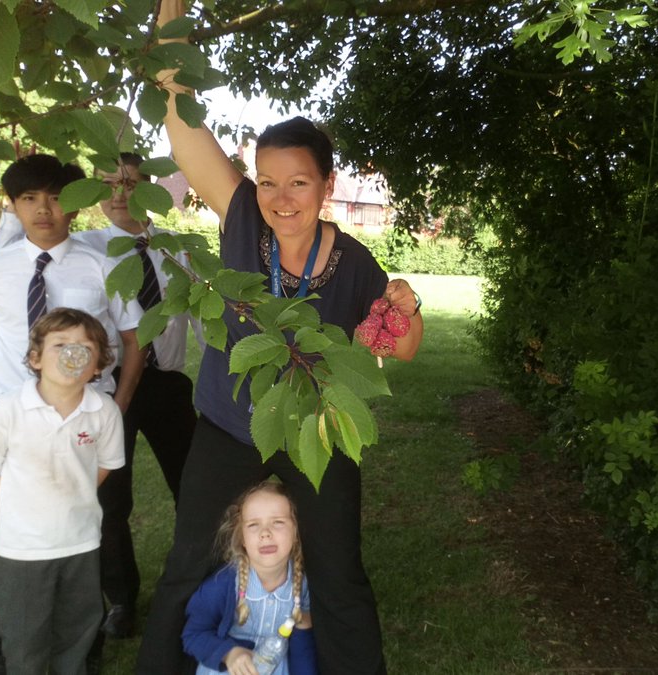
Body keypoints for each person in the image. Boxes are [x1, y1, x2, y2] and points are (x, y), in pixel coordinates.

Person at [137, 3, 423, 673]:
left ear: (326, 184)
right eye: (268, 180)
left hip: (317, 433)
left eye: (298, 182)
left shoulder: (352, 263)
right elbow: (185, 132)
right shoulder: (241, 219)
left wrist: (406, 306)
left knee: (338, 571)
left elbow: (398, 349)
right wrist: (170, 34)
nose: (280, 197)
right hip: (232, 422)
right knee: (191, 559)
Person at [0, 154, 145, 675]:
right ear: (13, 205)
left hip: (85, 417)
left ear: (76, 203)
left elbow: (132, 338)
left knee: (92, 523)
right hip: (13, 417)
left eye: (56, 196)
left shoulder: (101, 265)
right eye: (30, 198)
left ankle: (87, 638)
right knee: (1, 532)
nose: (44, 209)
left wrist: (119, 404)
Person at [74, 153, 199, 639]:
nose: (119, 194)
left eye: (129, 182)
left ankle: (195, 585)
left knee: (191, 488)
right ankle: (121, 600)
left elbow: (201, 320)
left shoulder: (176, 249)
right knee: (110, 501)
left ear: (149, 187)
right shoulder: (86, 250)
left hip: (168, 384)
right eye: (108, 184)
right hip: (111, 388)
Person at [0, 308, 127, 674]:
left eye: (85, 346)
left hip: (81, 542)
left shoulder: (103, 412)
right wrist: (30, 499)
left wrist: (70, 496)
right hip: (22, 548)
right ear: (36, 358)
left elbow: (103, 466)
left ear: (98, 364)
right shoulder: (5, 411)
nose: (73, 353)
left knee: (77, 627)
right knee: (25, 634)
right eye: (60, 344)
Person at [183, 481, 318, 675]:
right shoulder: (224, 584)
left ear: (296, 532)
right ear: (241, 538)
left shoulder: (302, 586)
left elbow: (303, 648)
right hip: (232, 667)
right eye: (254, 525)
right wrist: (229, 653)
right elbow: (194, 634)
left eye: (278, 522)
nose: (265, 533)